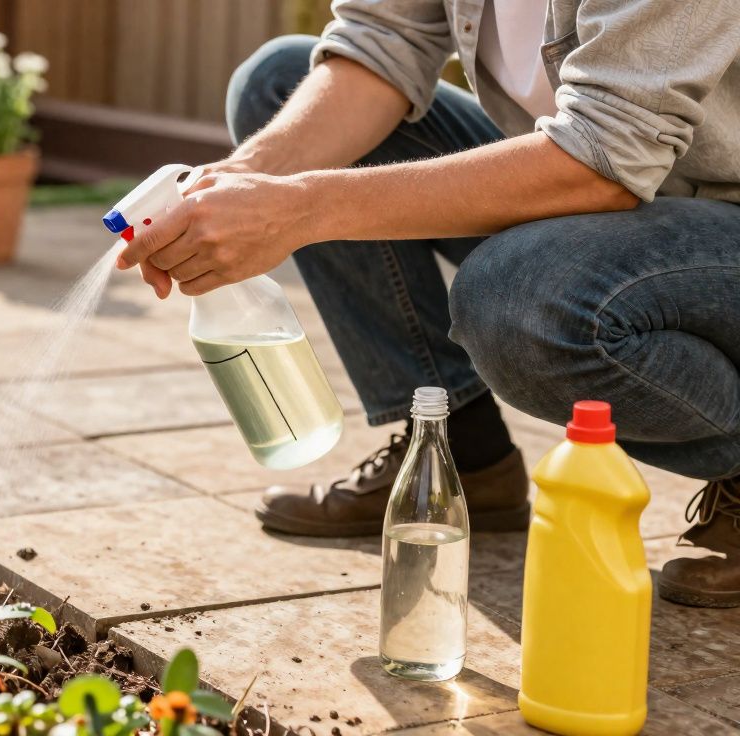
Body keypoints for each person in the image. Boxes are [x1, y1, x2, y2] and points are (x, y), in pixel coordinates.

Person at [115, 0, 740, 608]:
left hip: (715, 214)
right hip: (605, 185)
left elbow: (606, 155)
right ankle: (454, 457)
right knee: (281, 81)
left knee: (520, 297)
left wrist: (298, 207)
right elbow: (382, 41)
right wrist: (241, 185)